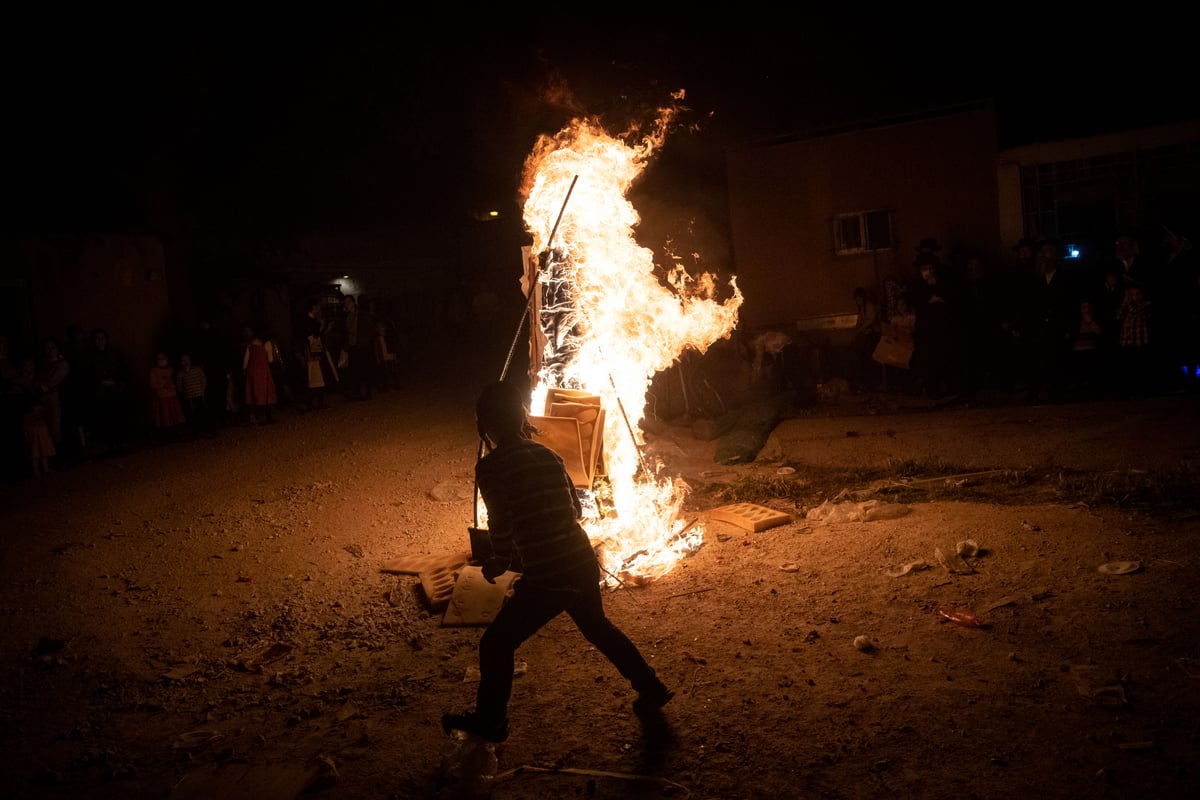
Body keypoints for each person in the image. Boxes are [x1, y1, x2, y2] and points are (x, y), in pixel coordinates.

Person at [442, 380, 673, 744]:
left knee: (495, 645)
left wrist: (498, 562)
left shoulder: (490, 468)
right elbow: (576, 510)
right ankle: (651, 686)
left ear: (485, 423)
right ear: (521, 417)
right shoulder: (547, 455)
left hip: (551, 574)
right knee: (598, 628)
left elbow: (500, 525)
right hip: (581, 559)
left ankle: (491, 721)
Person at [242, 328, 278, 424]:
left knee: (254, 393)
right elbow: (270, 360)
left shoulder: (250, 345)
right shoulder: (267, 344)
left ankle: (258, 417)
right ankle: (267, 417)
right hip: (263, 371)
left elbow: (245, 361)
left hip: (252, 371)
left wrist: (244, 370)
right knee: (267, 393)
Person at [148, 351, 186, 443]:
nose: (162, 361)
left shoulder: (170, 370)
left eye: (164, 359)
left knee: (175, 415)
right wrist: (163, 383)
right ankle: (167, 437)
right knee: (165, 417)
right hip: (163, 397)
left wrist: (174, 386)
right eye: (160, 359)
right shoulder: (154, 371)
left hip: (172, 395)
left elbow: (175, 381)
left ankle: (177, 435)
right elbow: (153, 385)